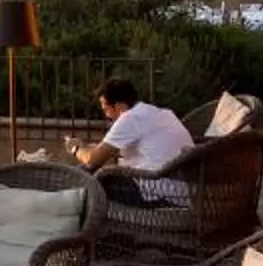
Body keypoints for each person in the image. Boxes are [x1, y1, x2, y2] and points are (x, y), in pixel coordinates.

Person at [74, 77, 196, 206]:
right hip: (184, 195)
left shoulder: (130, 117)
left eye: (106, 109)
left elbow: (92, 161)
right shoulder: (163, 113)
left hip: (155, 193)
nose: (106, 116)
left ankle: (78, 223)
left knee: (82, 175)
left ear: (119, 106)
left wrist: (75, 148)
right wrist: (92, 148)